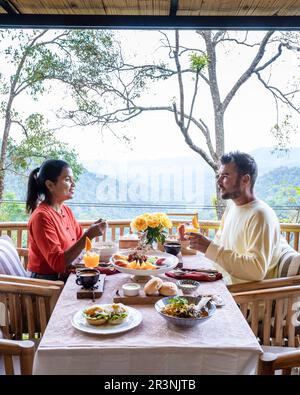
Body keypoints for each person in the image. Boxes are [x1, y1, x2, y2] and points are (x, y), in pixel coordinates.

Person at [187, 151, 290, 285]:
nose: (218, 181)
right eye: (219, 176)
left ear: (245, 180)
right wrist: (200, 244)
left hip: (245, 299)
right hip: (221, 285)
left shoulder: (260, 215)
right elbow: (218, 247)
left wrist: (209, 248)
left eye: (225, 176)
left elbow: (256, 270)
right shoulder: (232, 209)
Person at [26, 159, 107, 281]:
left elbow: (81, 242)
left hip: (67, 275)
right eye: (68, 180)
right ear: (50, 185)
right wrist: (88, 235)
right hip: (47, 284)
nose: (73, 184)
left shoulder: (66, 210)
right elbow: (58, 264)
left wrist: (91, 232)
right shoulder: (41, 217)